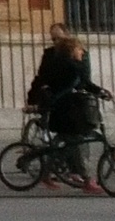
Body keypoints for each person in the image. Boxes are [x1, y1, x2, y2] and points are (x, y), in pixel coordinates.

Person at [27, 23, 98, 188]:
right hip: (65, 108)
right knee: (75, 141)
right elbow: (43, 79)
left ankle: (50, 172)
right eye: (53, 38)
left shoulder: (75, 58)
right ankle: (85, 178)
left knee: (65, 141)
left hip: (72, 105)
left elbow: (85, 81)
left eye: (58, 37)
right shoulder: (59, 59)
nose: (56, 41)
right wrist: (34, 100)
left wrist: (99, 91)